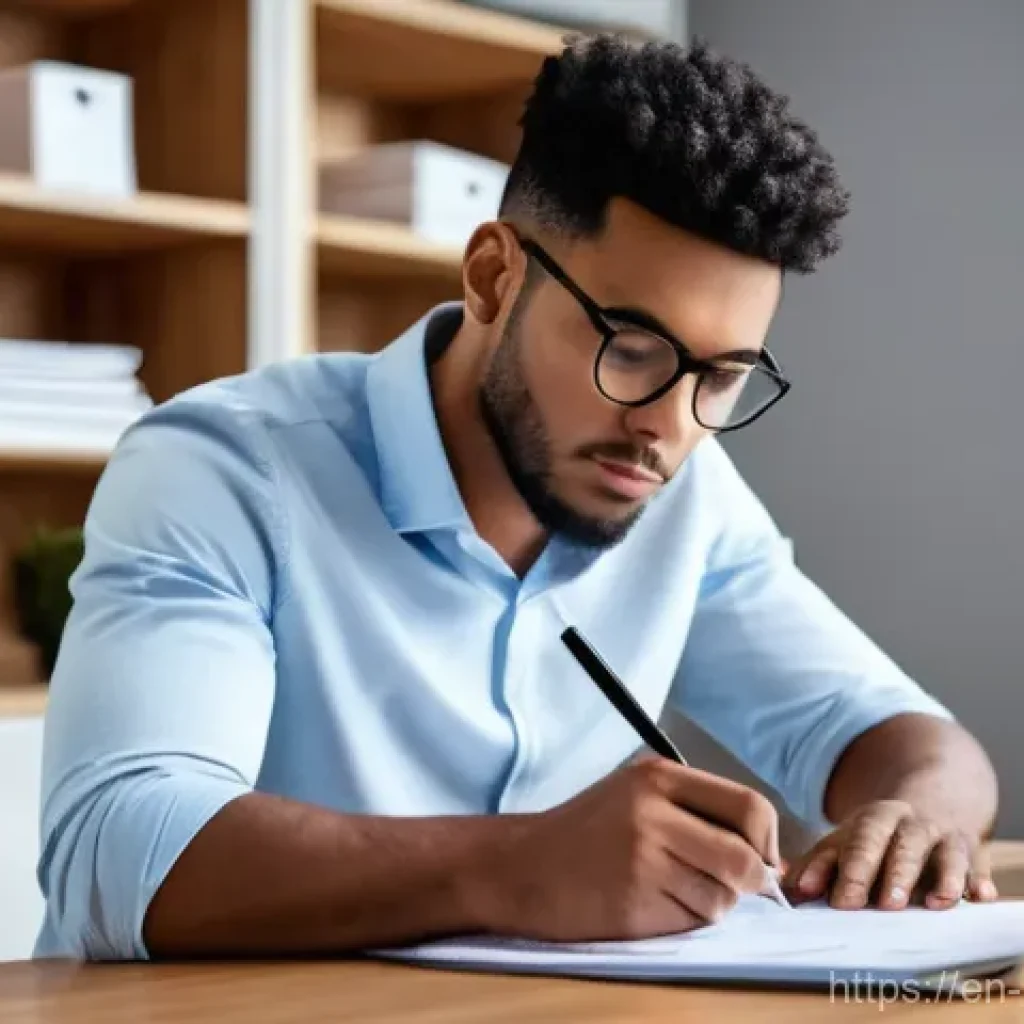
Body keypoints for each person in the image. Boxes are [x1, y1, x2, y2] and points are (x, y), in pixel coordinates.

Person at [35, 35, 998, 962]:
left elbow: (909, 740)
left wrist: (920, 821)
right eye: (630, 347)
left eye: (724, 375)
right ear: (495, 276)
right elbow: (114, 855)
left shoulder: (681, 490)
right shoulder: (224, 469)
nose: (668, 422)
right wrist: (517, 868)